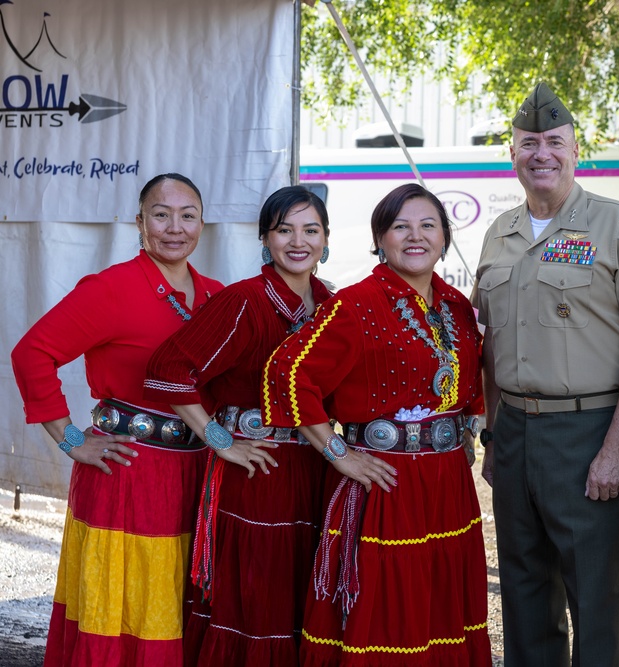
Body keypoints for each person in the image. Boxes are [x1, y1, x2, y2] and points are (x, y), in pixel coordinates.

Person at [471, 82, 619, 667]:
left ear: (575, 151)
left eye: (554, 142)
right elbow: (490, 341)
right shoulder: (500, 232)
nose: (541, 153)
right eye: (528, 143)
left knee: (596, 595)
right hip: (514, 431)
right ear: (512, 154)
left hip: (589, 429)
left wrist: (617, 447)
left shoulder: (618, 225)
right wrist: (493, 434)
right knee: (522, 589)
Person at [262, 183, 490, 666]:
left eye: (428, 225)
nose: (415, 236)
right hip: (385, 483)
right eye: (399, 226)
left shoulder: (455, 307)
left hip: (447, 482)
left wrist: (468, 429)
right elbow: (290, 373)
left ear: (445, 238)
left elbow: (470, 382)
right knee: (387, 614)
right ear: (379, 239)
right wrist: (337, 452)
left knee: (443, 606)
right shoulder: (357, 304)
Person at [11, 174, 224, 666]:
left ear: (202, 223)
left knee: (176, 604)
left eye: (187, 215)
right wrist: (70, 440)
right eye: (161, 214)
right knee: (123, 609)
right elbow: (32, 355)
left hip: (195, 475)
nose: (175, 227)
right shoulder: (112, 288)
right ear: (140, 222)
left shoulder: (215, 296)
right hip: (126, 473)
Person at [143, 186, 333, 665]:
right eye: (284, 229)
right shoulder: (244, 300)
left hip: (315, 469)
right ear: (265, 239)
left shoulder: (332, 304)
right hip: (258, 474)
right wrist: (220, 440)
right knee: (256, 598)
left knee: (301, 595)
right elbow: (168, 369)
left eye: (310, 230)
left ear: (326, 239)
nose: (298, 241)